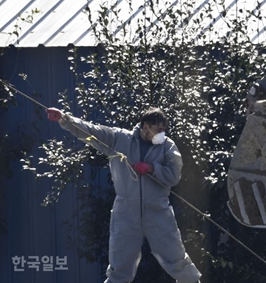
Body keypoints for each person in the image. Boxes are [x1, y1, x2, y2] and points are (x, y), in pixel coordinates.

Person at [46, 107, 202, 283]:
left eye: (164, 130)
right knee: (119, 268)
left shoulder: (167, 146)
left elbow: (174, 176)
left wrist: (152, 168)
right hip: (126, 212)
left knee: (177, 260)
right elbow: (91, 131)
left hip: (158, 211)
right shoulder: (120, 139)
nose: (162, 133)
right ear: (145, 127)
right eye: (158, 129)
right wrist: (65, 119)